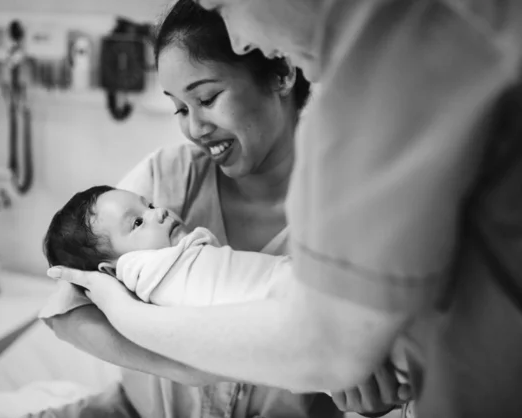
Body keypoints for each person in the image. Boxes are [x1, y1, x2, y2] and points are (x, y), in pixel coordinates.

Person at [49, 0, 522, 417]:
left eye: (207, 98)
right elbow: (65, 304)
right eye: (177, 108)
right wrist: (197, 364)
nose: (193, 128)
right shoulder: (167, 178)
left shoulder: (356, 166)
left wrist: (369, 392)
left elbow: (345, 348)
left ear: (280, 73)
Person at [41, 185, 293, 311]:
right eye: (137, 223)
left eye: (149, 206)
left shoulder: (170, 262)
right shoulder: (148, 274)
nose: (158, 212)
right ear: (110, 271)